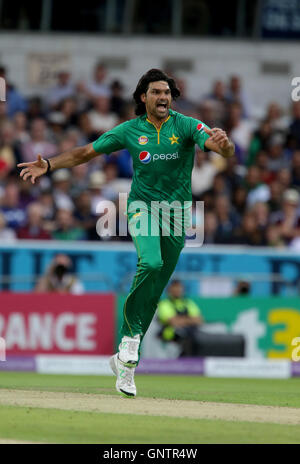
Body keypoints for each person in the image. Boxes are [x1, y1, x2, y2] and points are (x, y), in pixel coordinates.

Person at [18, 68, 235, 397]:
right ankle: (131, 345)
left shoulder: (187, 125)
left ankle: (123, 360)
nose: (163, 97)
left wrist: (225, 145)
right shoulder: (130, 130)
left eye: (167, 92)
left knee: (154, 290)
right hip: (142, 208)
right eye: (156, 92)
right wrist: (48, 165)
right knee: (149, 264)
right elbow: (85, 153)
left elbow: (221, 149)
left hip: (176, 216)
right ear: (142, 97)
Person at [157, 280, 204, 356]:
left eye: (179, 288)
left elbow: (199, 320)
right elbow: (173, 322)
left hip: (190, 334)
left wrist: (181, 320)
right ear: (169, 290)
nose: (177, 290)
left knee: (198, 337)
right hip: (170, 336)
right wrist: (190, 319)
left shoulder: (188, 303)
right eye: (175, 288)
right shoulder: (164, 304)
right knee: (185, 337)